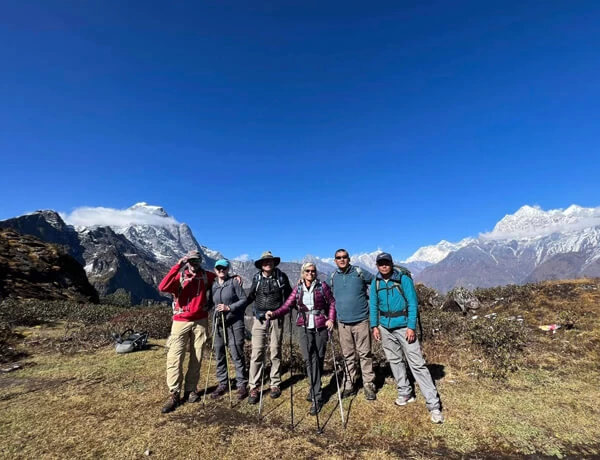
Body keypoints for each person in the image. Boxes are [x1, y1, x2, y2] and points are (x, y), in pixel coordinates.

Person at [370, 252, 444, 424]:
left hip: (404, 326)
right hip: (385, 327)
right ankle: (405, 392)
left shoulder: (403, 279)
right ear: (377, 265)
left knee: (417, 364)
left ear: (391, 263)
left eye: (386, 262)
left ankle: (433, 405)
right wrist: (374, 326)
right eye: (381, 263)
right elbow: (373, 305)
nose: (384, 266)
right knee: (395, 361)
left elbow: (412, 303)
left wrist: (411, 327)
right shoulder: (376, 283)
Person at [266, 262, 336, 416]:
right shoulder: (298, 289)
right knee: (309, 359)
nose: (310, 273)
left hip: (320, 326)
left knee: (318, 359)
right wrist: (274, 313)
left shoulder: (322, 286)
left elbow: (331, 302)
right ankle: (317, 395)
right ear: (302, 273)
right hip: (303, 326)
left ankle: (314, 391)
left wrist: (331, 319)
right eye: (307, 271)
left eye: (313, 271)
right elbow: (287, 306)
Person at [158, 250, 216, 414]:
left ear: (200, 261)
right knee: (175, 356)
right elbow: (162, 287)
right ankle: (174, 393)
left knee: (197, 356)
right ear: (187, 261)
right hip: (180, 320)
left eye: (196, 260)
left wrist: (235, 278)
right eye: (191, 260)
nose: (194, 263)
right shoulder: (180, 276)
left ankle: (191, 390)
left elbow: (220, 278)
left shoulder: (207, 276)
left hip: (201, 320)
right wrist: (178, 265)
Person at [329, 248, 377, 400]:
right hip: (343, 323)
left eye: (344, 257)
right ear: (335, 260)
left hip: (361, 320)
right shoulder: (333, 276)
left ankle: (368, 384)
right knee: (348, 355)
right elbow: (323, 289)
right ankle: (350, 384)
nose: (342, 259)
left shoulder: (359, 272)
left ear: (349, 259)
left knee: (365, 354)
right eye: (338, 257)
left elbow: (376, 281)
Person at [246, 251, 292, 404]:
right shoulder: (257, 278)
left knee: (275, 351)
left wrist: (280, 312)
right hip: (259, 319)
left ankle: (275, 384)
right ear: (261, 264)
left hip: (276, 319)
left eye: (270, 261)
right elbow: (251, 296)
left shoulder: (281, 277)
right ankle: (254, 386)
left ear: (274, 263)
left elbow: (289, 297)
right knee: (257, 352)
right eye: (265, 261)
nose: (268, 263)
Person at [208, 258, 249, 400]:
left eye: (224, 268)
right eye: (218, 268)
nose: (221, 270)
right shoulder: (212, 285)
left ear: (228, 269)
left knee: (236, 352)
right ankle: (223, 383)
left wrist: (229, 308)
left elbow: (244, 300)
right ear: (215, 269)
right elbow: (208, 303)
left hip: (234, 322)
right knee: (219, 353)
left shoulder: (234, 283)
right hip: (218, 323)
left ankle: (241, 384)